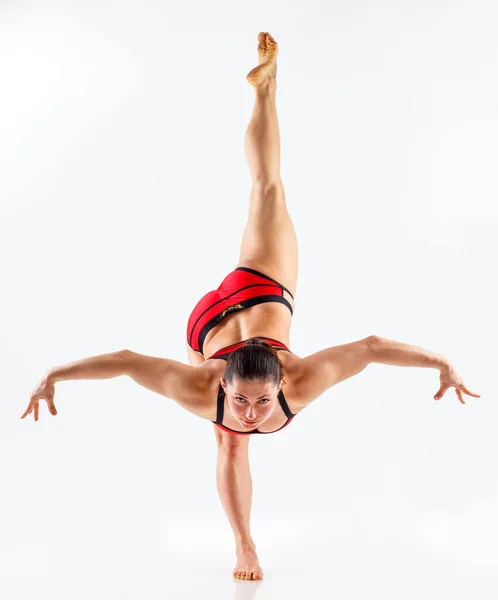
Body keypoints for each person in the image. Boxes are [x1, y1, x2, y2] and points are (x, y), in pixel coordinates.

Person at [22, 32, 480, 581]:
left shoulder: (298, 379)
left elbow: (373, 348)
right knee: (268, 193)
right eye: (241, 400)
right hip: (248, 294)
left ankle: (266, 89)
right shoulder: (209, 389)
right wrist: (54, 374)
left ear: (281, 385)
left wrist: (442, 363)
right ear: (223, 384)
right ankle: (244, 547)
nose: (250, 412)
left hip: (218, 316)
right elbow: (123, 359)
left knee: (268, 191)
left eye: (260, 402)